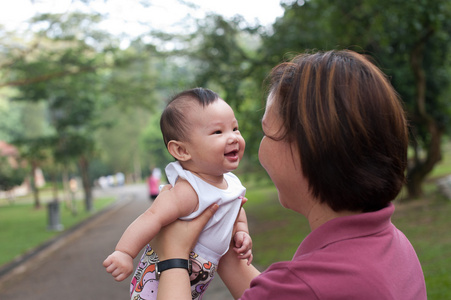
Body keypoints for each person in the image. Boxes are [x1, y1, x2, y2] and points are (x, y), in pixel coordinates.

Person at [149, 50, 428, 299]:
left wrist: (172, 256)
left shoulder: (309, 285)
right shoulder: (394, 244)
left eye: (267, 133)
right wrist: (220, 242)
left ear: (310, 150)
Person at [103, 88, 253, 300]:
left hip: (197, 277)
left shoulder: (231, 182)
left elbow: (236, 209)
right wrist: (125, 253)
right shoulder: (188, 190)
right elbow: (151, 217)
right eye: (218, 132)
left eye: (235, 128)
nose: (233, 138)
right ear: (182, 151)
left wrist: (241, 232)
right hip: (157, 281)